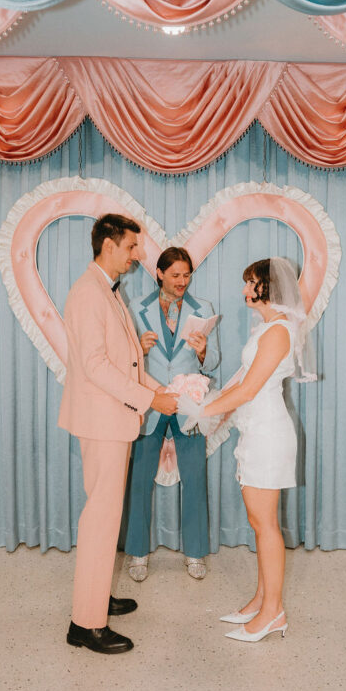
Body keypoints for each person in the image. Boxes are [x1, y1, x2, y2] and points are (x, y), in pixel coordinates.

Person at [58, 214, 178, 655]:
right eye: (131, 247)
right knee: (101, 517)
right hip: (103, 421)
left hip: (112, 419)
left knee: (107, 515)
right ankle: (85, 624)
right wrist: (150, 401)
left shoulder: (104, 289)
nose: (136, 255)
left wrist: (158, 390)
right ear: (108, 245)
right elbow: (96, 367)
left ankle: (97, 595)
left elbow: (125, 362)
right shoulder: (89, 292)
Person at [179, 257, 315, 644]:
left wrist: (202, 411)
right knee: (259, 523)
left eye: (249, 282)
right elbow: (239, 382)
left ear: (265, 287)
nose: (243, 289)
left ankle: (274, 613)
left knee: (266, 525)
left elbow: (249, 390)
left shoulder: (278, 331)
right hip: (255, 431)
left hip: (268, 434)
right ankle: (260, 600)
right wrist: (207, 406)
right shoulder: (267, 327)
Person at [125, 247, 220, 581]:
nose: (183, 281)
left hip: (188, 405)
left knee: (195, 480)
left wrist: (204, 350)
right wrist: (139, 347)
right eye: (176, 275)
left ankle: (194, 553)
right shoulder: (135, 307)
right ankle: (137, 553)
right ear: (160, 273)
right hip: (150, 402)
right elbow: (124, 361)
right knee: (138, 482)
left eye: (187, 275)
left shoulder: (204, 309)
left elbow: (214, 362)